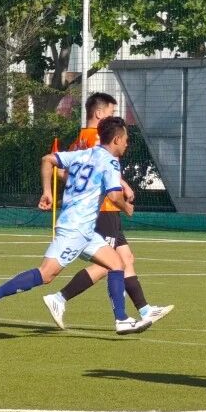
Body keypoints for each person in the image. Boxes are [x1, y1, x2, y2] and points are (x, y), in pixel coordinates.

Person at [0, 116, 150, 334]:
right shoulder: (111, 162)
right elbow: (115, 196)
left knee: (116, 263)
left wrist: (47, 191)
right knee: (46, 274)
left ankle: (122, 319)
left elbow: (47, 159)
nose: (127, 143)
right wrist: (127, 207)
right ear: (116, 139)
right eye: (125, 139)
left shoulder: (82, 154)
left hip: (85, 229)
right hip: (74, 229)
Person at [42, 92, 173, 329]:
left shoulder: (81, 139)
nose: (114, 118)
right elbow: (101, 166)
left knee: (126, 258)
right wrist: (123, 186)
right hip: (102, 209)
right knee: (108, 264)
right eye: (111, 112)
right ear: (99, 113)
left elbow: (67, 173)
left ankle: (145, 309)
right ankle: (60, 298)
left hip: (105, 208)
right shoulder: (96, 138)